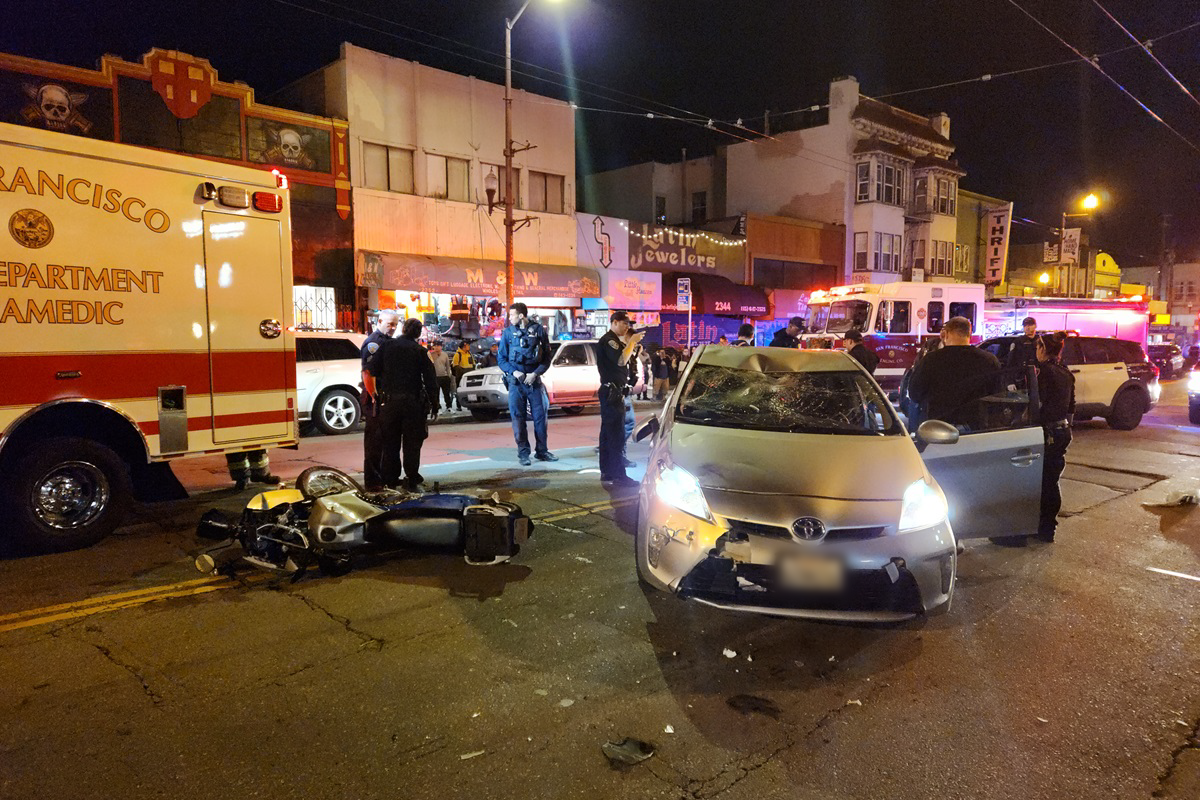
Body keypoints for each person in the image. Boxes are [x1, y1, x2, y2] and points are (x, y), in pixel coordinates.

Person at [365, 317, 438, 491]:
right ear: (418, 333)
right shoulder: (420, 351)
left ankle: (390, 479)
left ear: (403, 329)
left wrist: (376, 395)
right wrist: (435, 404)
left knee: (390, 443)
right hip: (412, 404)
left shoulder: (386, 347)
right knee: (412, 443)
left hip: (389, 404)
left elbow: (371, 370)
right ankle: (412, 477)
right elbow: (430, 380)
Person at [907, 316, 1002, 428]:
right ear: (969, 334)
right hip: (976, 426)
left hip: (939, 426)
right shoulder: (989, 360)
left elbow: (915, 393)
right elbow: (997, 394)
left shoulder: (931, 360)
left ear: (946, 334)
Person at [498, 302, 557, 466]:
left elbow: (546, 358)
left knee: (540, 418)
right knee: (518, 418)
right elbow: (501, 359)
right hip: (516, 383)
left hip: (534, 382)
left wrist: (536, 373)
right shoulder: (508, 333)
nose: (510, 318)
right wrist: (513, 372)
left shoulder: (538, 331)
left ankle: (542, 451)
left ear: (521, 315)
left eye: (512, 315)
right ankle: (523, 453)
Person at [1034, 332, 1076, 542]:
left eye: (1037, 347)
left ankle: (1042, 528)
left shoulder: (1042, 373)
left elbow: (1037, 403)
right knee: (1052, 480)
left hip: (1047, 432)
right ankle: (1047, 527)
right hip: (1062, 431)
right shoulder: (1065, 373)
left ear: (1043, 349)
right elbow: (1071, 407)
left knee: (1043, 482)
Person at [596, 311, 642, 487]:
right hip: (612, 393)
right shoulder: (610, 340)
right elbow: (621, 361)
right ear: (615, 322)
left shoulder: (613, 340)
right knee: (616, 435)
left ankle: (608, 471)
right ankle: (618, 475)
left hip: (614, 392)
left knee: (608, 435)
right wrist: (631, 342)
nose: (627, 327)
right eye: (625, 324)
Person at [361, 310, 399, 490]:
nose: (392, 328)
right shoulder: (373, 343)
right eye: (390, 324)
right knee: (375, 443)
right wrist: (374, 396)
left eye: (395, 325)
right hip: (377, 399)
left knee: (388, 441)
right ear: (380, 321)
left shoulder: (389, 342)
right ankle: (373, 481)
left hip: (387, 398)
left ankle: (386, 479)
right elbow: (368, 372)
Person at [428, 342, 455, 411]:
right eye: (435, 346)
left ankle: (449, 407)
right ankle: (438, 407)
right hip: (435, 377)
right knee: (436, 393)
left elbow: (447, 366)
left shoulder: (444, 355)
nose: (437, 347)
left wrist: (448, 375)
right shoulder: (431, 355)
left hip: (444, 376)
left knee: (446, 393)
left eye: (438, 346)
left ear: (441, 347)